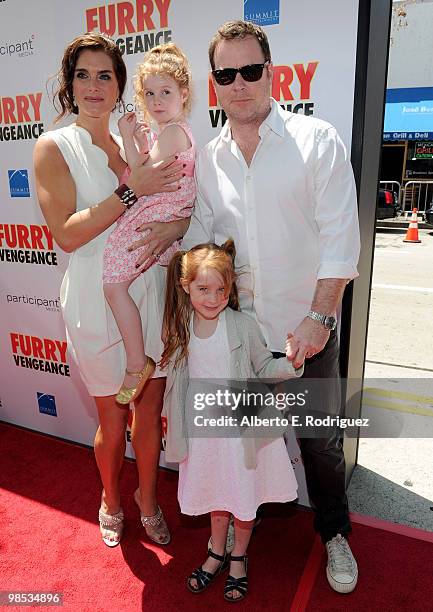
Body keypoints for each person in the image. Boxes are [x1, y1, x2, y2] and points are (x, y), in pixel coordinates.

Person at [180, 21, 361, 594]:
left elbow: (340, 239)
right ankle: (235, 542)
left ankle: (333, 532)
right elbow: (203, 238)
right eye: (225, 74)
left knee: (321, 442)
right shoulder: (208, 159)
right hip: (237, 337)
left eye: (250, 70)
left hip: (306, 328)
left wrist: (320, 315)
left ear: (272, 73)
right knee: (240, 443)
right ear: (214, 85)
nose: (239, 84)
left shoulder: (317, 140)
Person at [33, 32, 186, 548]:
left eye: (106, 75)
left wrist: (178, 226)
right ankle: (111, 499)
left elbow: (176, 200)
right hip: (97, 299)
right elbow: (68, 232)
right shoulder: (55, 145)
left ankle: (147, 501)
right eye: (83, 75)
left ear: (122, 83)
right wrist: (129, 190)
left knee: (150, 414)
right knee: (111, 415)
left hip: (152, 288)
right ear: (69, 84)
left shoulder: (140, 138)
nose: (94, 85)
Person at [160, 240, 302, 601]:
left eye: (221, 289)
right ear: (185, 286)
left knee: (242, 496)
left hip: (242, 433)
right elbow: (177, 386)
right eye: (203, 289)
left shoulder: (242, 325)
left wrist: (292, 363)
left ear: (230, 289)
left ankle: (238, 557)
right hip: (206, 436)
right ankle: (216, 553)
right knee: (216, 495)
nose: (212, 298)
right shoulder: (180, 328)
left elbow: (265, 366)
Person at [103, 43, 196, 406]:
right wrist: (137, 139)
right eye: (150, 93)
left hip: (152, 217)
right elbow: (138, 168)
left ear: (184, 94)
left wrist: (129, 139)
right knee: (116, 288)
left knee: (113, 288)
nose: (157, 101)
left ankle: (136, 362)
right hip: (155, 216)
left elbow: (137, 176)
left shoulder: (174, 133)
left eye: (166, 92)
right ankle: (139, 360)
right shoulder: (164, 133)